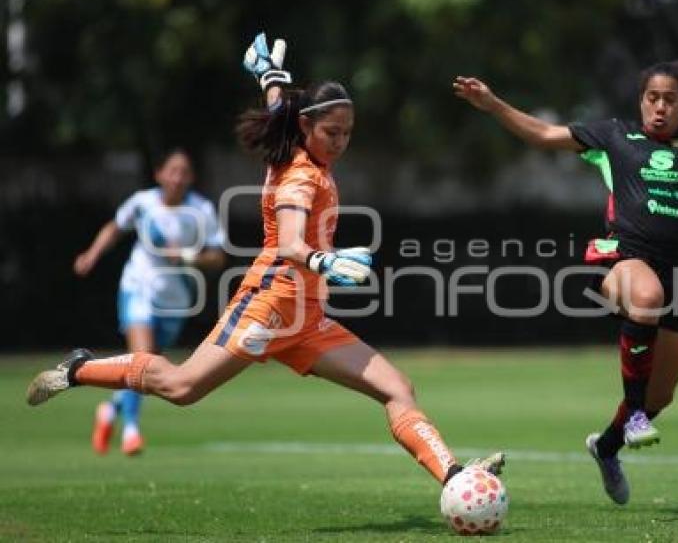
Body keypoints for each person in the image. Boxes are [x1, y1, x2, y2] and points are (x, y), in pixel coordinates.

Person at [29, 33, 503, 485]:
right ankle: (78, 369)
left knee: (397, 387)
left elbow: (280, 104)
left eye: (348, 133)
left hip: (308, 319)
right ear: (307, 127)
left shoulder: (296, 143)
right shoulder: (301, 177)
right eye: (332, 132)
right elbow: (292, 245)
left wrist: (268, 75)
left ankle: (454, 478)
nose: (341, 142)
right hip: (268, 307)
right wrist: (325, 262)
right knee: (181, 388)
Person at [453, 61, 678, 504]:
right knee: (646, 297)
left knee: (663, 393)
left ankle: (606, 447)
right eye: (652, 98)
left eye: (670, 99)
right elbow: (543, 135)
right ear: (641, 100)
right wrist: (492, 105)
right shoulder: (615, 137)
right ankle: (637, 418)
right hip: (623, 261)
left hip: (674, 274)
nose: (660, 107)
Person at [73, 149, 226, 455]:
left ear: (191, 177)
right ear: (159, 174)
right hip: (138, 288)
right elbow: (114, 228)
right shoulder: (143, 203)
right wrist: (91, 254)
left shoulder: (201, 210)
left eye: (184, 172)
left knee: (150, 370)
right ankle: (131, 431)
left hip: (176, 300)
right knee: (140, 357)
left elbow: (218, 257)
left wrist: (185, 257)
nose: (178, 178)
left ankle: (110, 410)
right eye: (173, 171)